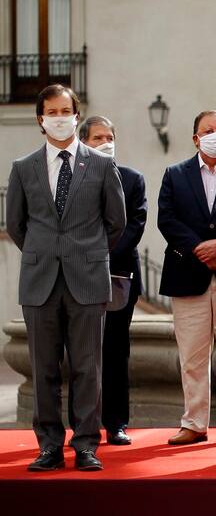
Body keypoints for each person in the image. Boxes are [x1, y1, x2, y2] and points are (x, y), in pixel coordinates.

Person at [6, 84, 126, 471]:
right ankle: (49, 446)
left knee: (87, 367)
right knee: (43, 369)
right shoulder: (23, 168)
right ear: (41, 119)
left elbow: (116, 222)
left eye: (66, 111)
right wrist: (47, 254)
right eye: (52, 112)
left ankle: (87, 444)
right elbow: (17, 226)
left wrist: (85, 253)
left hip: (87, 279)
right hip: (39, 280)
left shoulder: (101, 165)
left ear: (77, 115)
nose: (60, 118)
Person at [157, 110, 216, 446]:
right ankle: (194, 422)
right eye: (208, 130)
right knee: (193, 356)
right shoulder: (175, 174)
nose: (215, 135)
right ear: (196, 138)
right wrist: (199, 247)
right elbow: (166, 219)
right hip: (188, 274)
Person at [78, 116, 147, 446]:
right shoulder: (71, 179)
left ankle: (116, 422)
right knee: (81, 353)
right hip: (78, 278)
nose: (105, 142)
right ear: (84, 142)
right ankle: (81, 423)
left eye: (109, 136)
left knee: (116, 352)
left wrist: (102, 253)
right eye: (97, 137)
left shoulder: (132, 179)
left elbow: (136, 223)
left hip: (119, 276)